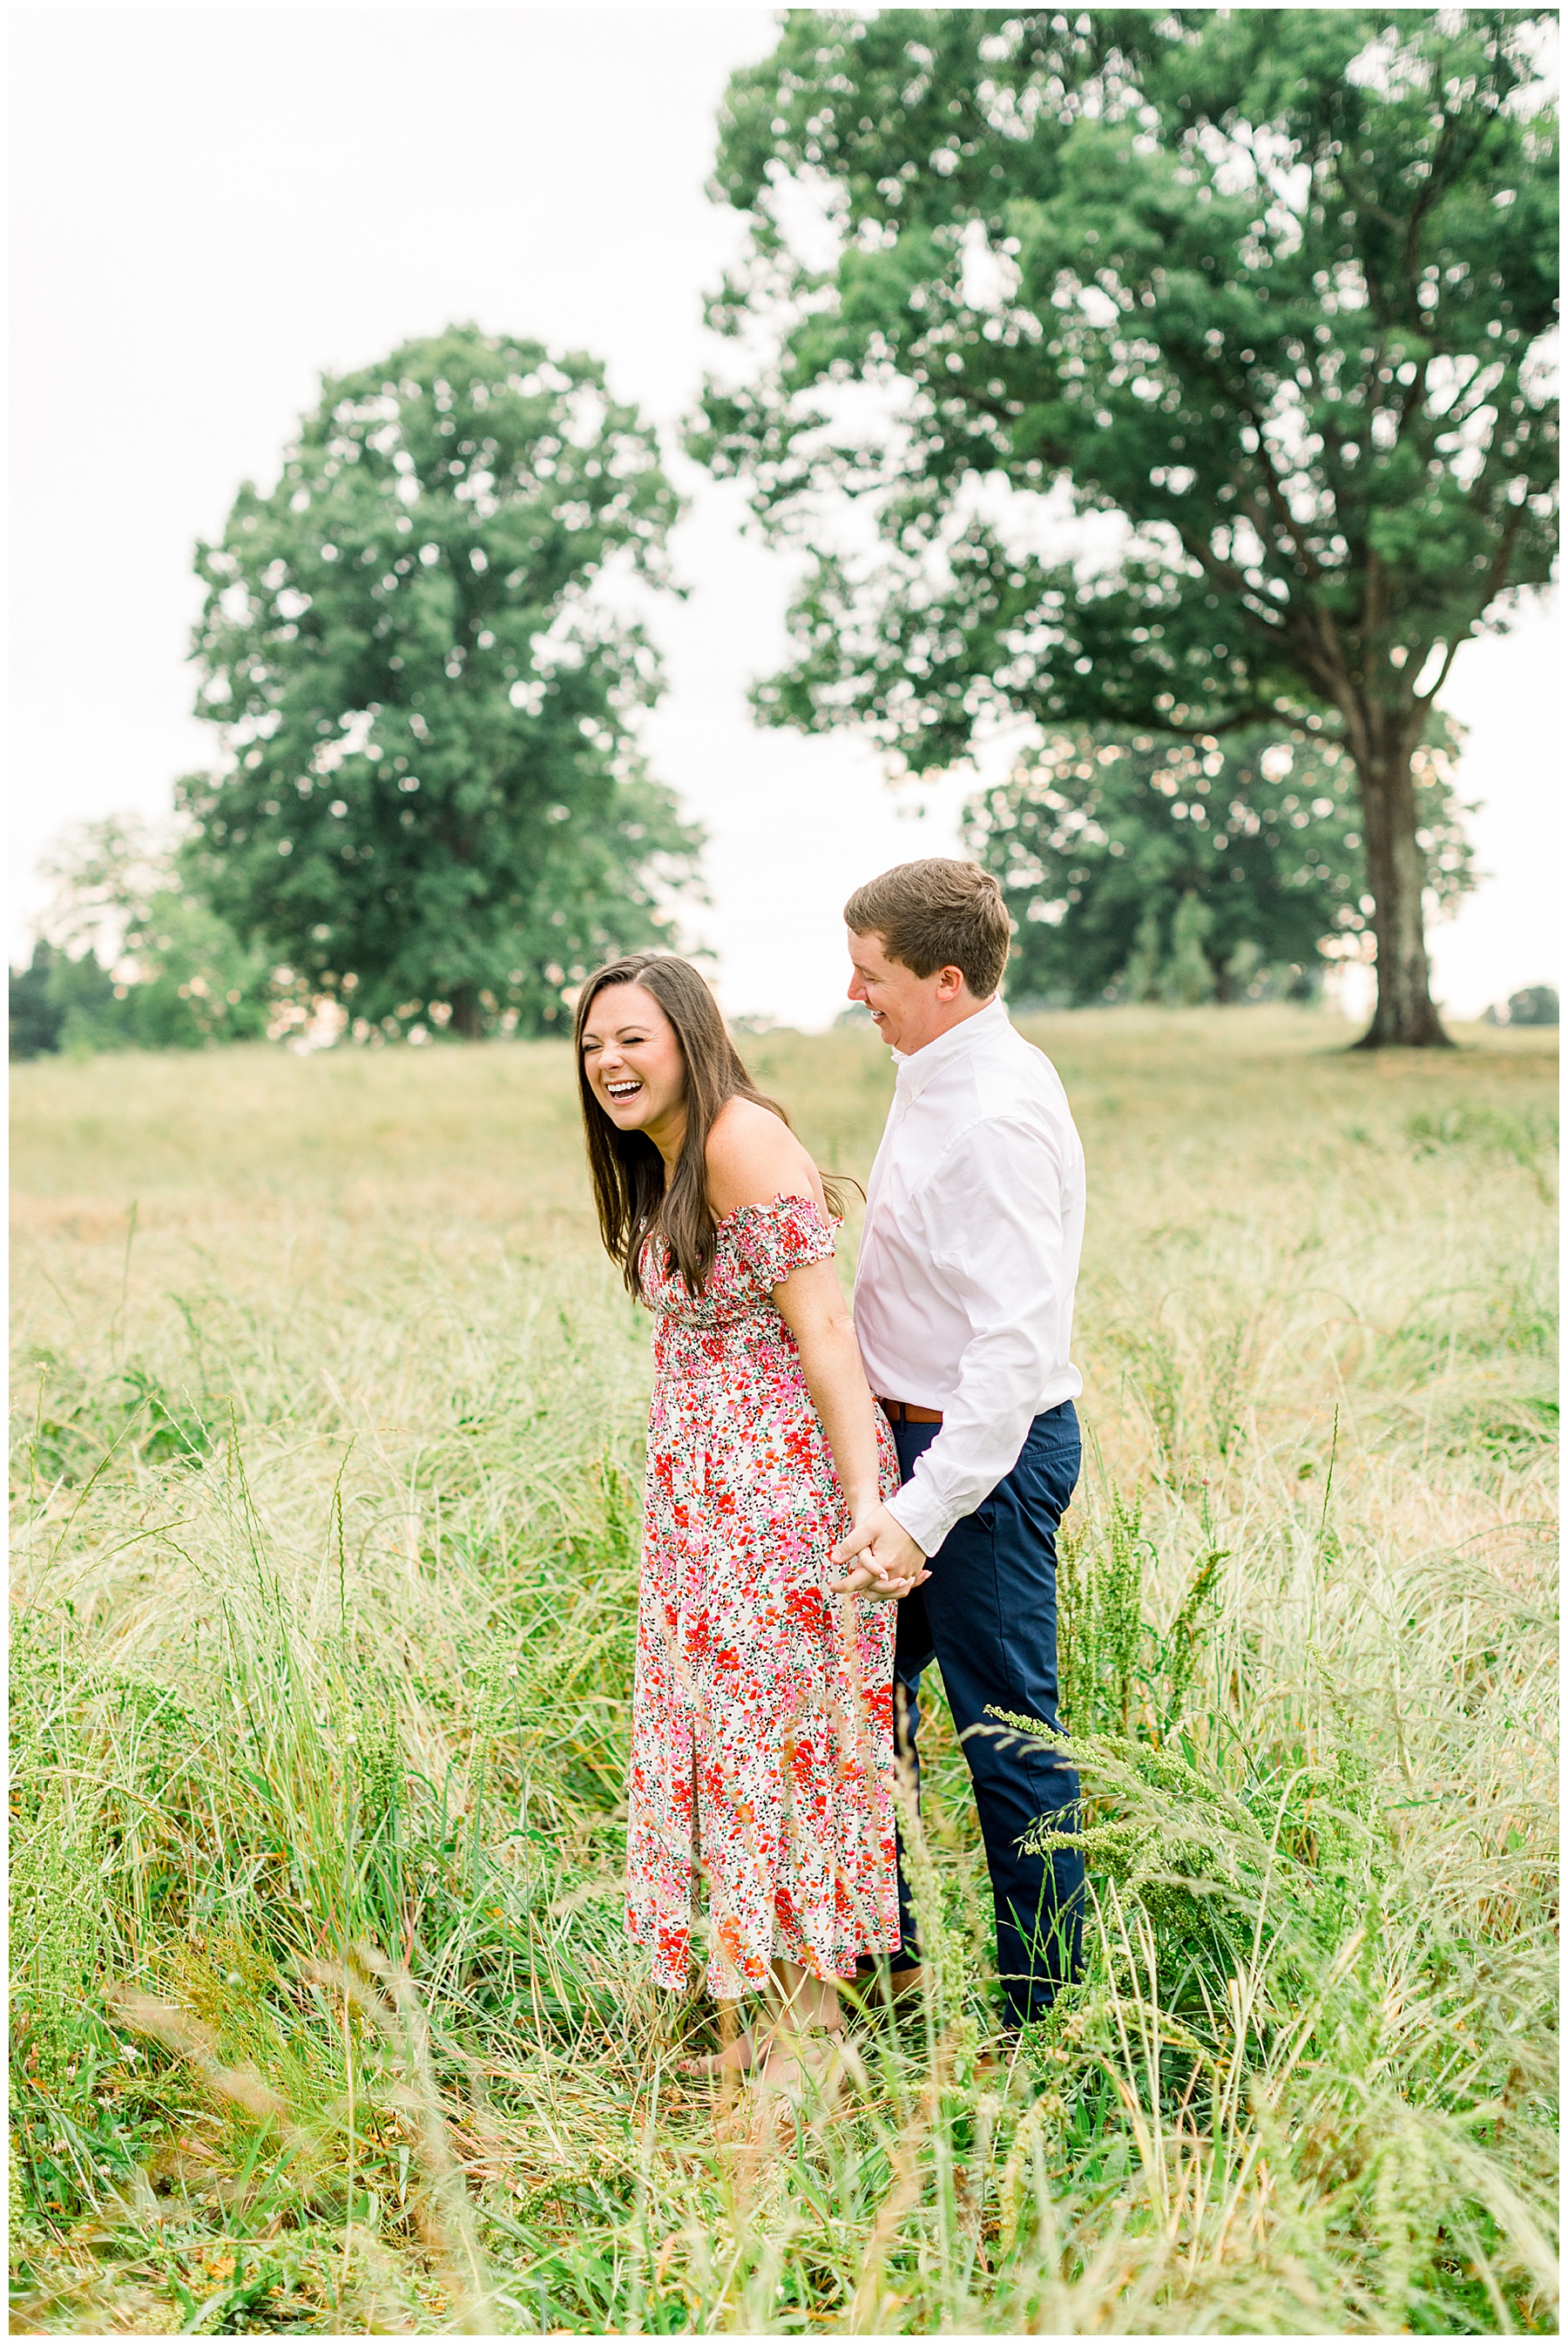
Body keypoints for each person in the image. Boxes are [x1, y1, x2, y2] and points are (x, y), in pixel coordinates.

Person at [573, 952, 906, 2097]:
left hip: (778, 1504)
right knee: (730, 1747)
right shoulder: (670, 1154)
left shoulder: (739, 1140)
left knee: (786, 1747)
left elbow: (826, 1331)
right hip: (708, 1516)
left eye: (633, 1038)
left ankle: (812, 2033)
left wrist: (867, 1509)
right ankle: (768, 2010)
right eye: (594, 1045)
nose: (610, 1062)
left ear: (689, 1038)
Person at [828, 859, 1087, 2038]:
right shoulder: (932, 1065)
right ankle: (884, 1971)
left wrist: (920, 1510)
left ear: (945, 979)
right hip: (911, 1444)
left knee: (1007, 1739)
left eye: (871, 973)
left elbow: (1013, 1354)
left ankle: (1047, 2025)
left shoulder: (995, 1115)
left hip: (980, 1460)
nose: (853, 992)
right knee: (854, 1703)